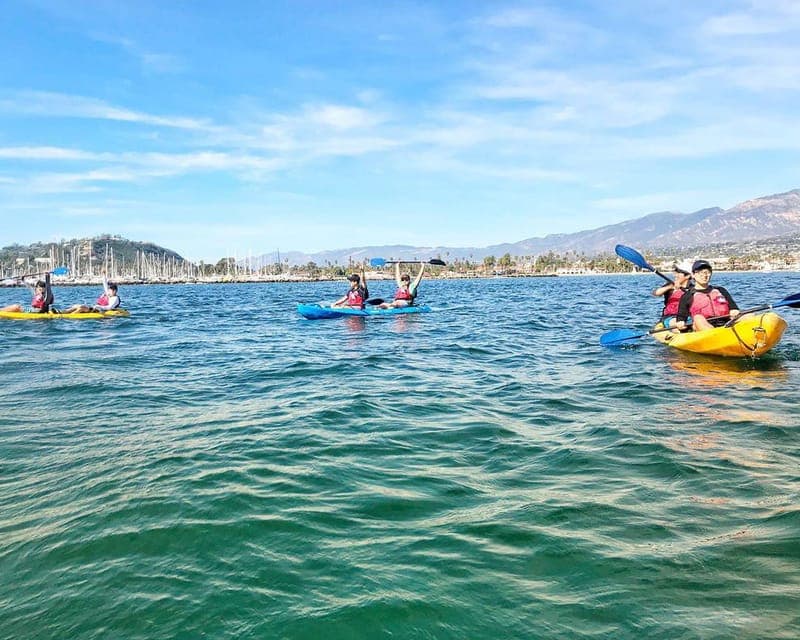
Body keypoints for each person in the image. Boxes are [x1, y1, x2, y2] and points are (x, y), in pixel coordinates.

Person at [676, 260, 740, 331]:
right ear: (693, 275)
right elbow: (681, 319)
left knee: (748, 316)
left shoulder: (721, 290)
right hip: (703, 327)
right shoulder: (687, 296)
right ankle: (715, 336)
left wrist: (734, 312)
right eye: (700, 272)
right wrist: (681, 324)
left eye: (707, 272)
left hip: (726, 323)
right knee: (698, 318)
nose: (705, 275)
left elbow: (734, 308)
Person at [651, 262, 692, 328]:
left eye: (679, 272)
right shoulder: (670, 286)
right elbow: (656, 293)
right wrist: (670, 287)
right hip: (671, 317)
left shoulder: (693, 289)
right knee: (678, 323)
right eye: (676, 272)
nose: (675, 275)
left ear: (687, 276)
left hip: (688, 317)